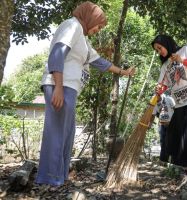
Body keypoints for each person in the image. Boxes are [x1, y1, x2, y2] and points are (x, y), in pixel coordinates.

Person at [35, 1, 135, 187]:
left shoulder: (83, 38)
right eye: (99, 24)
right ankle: (49, 177)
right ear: (90, 17)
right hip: (60, 85)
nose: (98, 29)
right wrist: (57, 86)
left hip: (69, 88)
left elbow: (100, 63)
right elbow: (57, 53)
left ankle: (60, 176)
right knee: (57, 133)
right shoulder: (71, 26)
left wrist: (124, 72)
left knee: (67, 133)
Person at [151, 35, 187, 177]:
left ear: (166, 43)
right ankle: (185, 165)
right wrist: (158, 90)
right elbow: (163, 85)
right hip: (181, 102)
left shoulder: (186, 50)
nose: (159, 52)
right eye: (157, 51)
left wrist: (182, 60)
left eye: (160, 48)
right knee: (176, 132)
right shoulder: (165, 66)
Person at [150, 92, 175, 162]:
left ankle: (173, 159)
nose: (156, 98)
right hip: (162, 124)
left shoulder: (169, 99)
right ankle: (163, 160)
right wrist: (150, 124)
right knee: (162, 142)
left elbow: (176, 109)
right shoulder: (155, 103)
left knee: (171, 141)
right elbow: (153, 115)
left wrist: (176, 122)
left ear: (159, 95)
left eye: (156, 96)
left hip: (171, 123)